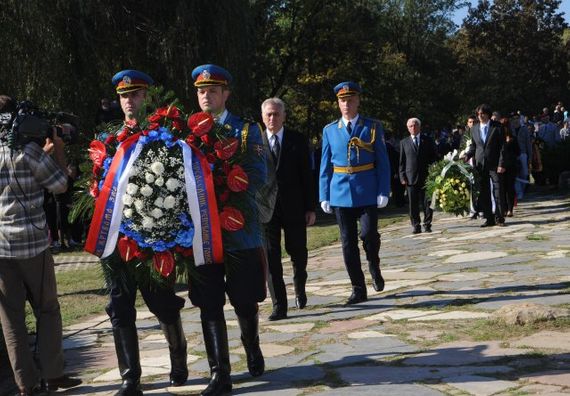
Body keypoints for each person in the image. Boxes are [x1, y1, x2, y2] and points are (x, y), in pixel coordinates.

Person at [95, 70, 189, 395]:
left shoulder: (161, 136)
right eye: (123, 96)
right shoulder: (110, 141)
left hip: (153, 240)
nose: (129, 101)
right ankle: (130, 378)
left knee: (161, 303)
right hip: (117, 241)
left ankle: (178, 357)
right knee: (119, 307)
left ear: (146, 97)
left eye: (134, 94)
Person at [188, 64, 268, 395]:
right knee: (208, 302)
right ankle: (219, 372)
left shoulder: (246, 131)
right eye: (201, 90)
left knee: (244, 300)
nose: (206, 95)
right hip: (201, 236)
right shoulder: (184, 136)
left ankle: (251, 344)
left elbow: (260, 177)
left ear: (226, 94)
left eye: (213, 90)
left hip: (239, 232)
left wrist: (223, 183)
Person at [0, 95, 81, 395]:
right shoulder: (30, 152)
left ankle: (26, 385)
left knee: (11, 319)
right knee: (47, 309)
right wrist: (57, 149)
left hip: (0, 247)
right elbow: (60, 184)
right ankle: (54, 374)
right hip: (32, 243)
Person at [319, 81, 390, 305]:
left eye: (350, 99)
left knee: (369, 234)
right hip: (340, 192)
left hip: (367, 190)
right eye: (342, 100)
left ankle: (373, 264)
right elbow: (324, 166)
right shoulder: (330, 130)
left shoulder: (372, 127)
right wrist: (324, 194)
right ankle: (358, 288)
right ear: (338, 104)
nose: (346, 104)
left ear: (358, 101)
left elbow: (383, 161)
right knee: (347, 243)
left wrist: (383, 190)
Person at [261, 97, 315, 321]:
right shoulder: (256, 142)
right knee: (271, 258)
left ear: (283, 116)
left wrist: (310, 208)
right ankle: (278, 305)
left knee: (298, 253)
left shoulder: (297, 140)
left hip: (294, 207)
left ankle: (299, 288)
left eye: (276, 114)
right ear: (263, 117)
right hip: (267, 210)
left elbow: (307, 176)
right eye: (268, 115)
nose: (272, 118)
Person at [462, 104, 506, 227]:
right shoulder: (474, 129)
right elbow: (474, 146)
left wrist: (501, 164)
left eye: (482, 114)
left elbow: (503, 147)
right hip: (480, 165)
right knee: (484, 192)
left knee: (497, 191)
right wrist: (467, 155)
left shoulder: (497, 127)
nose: (480, 116)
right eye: (478, 114)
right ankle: (489, 218)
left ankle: (499, 217)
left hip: (495, 163)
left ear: (488, 114)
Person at [399, 118, 437, 234]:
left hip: (426, 177)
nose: (413, 128)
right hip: (410, 178)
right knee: (413, 204)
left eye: (415, 126)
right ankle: (416, 225)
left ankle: (427, 224)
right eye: (410, 126)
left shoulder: (428, 140)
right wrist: (402, 176)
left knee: (428, 202)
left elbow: (434, 158)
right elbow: (401, 162)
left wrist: (434, 173)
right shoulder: (404, 142)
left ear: (419, 127)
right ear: (408, 128)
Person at [499, 118, 520, 217]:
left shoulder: (513, 139)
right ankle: (504, 208)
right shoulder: (498, 139)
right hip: (501, 166)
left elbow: (518, 152)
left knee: (510, 187)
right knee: (502, 188)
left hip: (511, 166)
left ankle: (510, 209)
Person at [509, 112, 531, 200]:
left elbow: (528, 143)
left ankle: (522, 189)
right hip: (513, 154)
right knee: (515, 174)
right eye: (513, 118)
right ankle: (519, 193)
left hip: (523, 153)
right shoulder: (510, 129)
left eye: (517, 118)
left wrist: (530, 156)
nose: (515, 120)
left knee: (524, 173)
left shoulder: (524, 129)